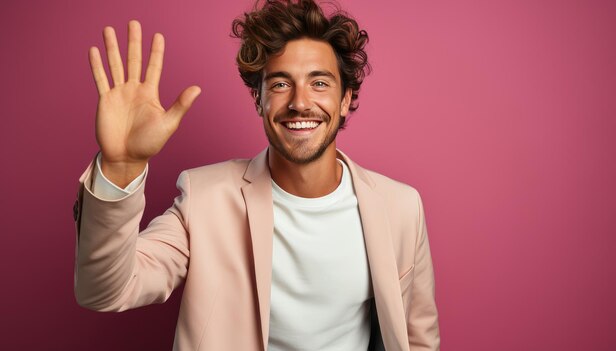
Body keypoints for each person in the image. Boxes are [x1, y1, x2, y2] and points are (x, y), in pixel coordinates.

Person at [73, 0, 440, 350]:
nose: (299, 101)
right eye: (280, 84)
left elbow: (418, 338)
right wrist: (121, 169)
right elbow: (105, 291)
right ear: (258, 100)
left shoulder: (400, 208)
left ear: (345, 100)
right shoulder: (205, 199)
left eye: (320, 83)